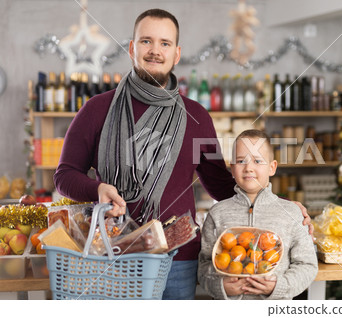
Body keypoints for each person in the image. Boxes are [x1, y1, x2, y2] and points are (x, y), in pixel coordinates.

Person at [54, 8, 312, 300]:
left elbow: (221, 185)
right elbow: (65, 176)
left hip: (179, 261)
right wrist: (98, 188)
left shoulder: (196, 116)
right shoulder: (97, 110)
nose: (155, 51)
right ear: (131, 48)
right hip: (114, 254)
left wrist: (279, 206)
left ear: (176, 54)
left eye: (164, 43)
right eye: (146, 41)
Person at [198, 129, 318, 299]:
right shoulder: (217, 213)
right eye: (241, 161)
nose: (248, 168)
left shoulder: (291, 213)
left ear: (272, 167)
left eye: (257, 161)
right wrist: (220, 287)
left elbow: (307, 265)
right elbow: (204, 265)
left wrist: (280, 286)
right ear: (232, 169)